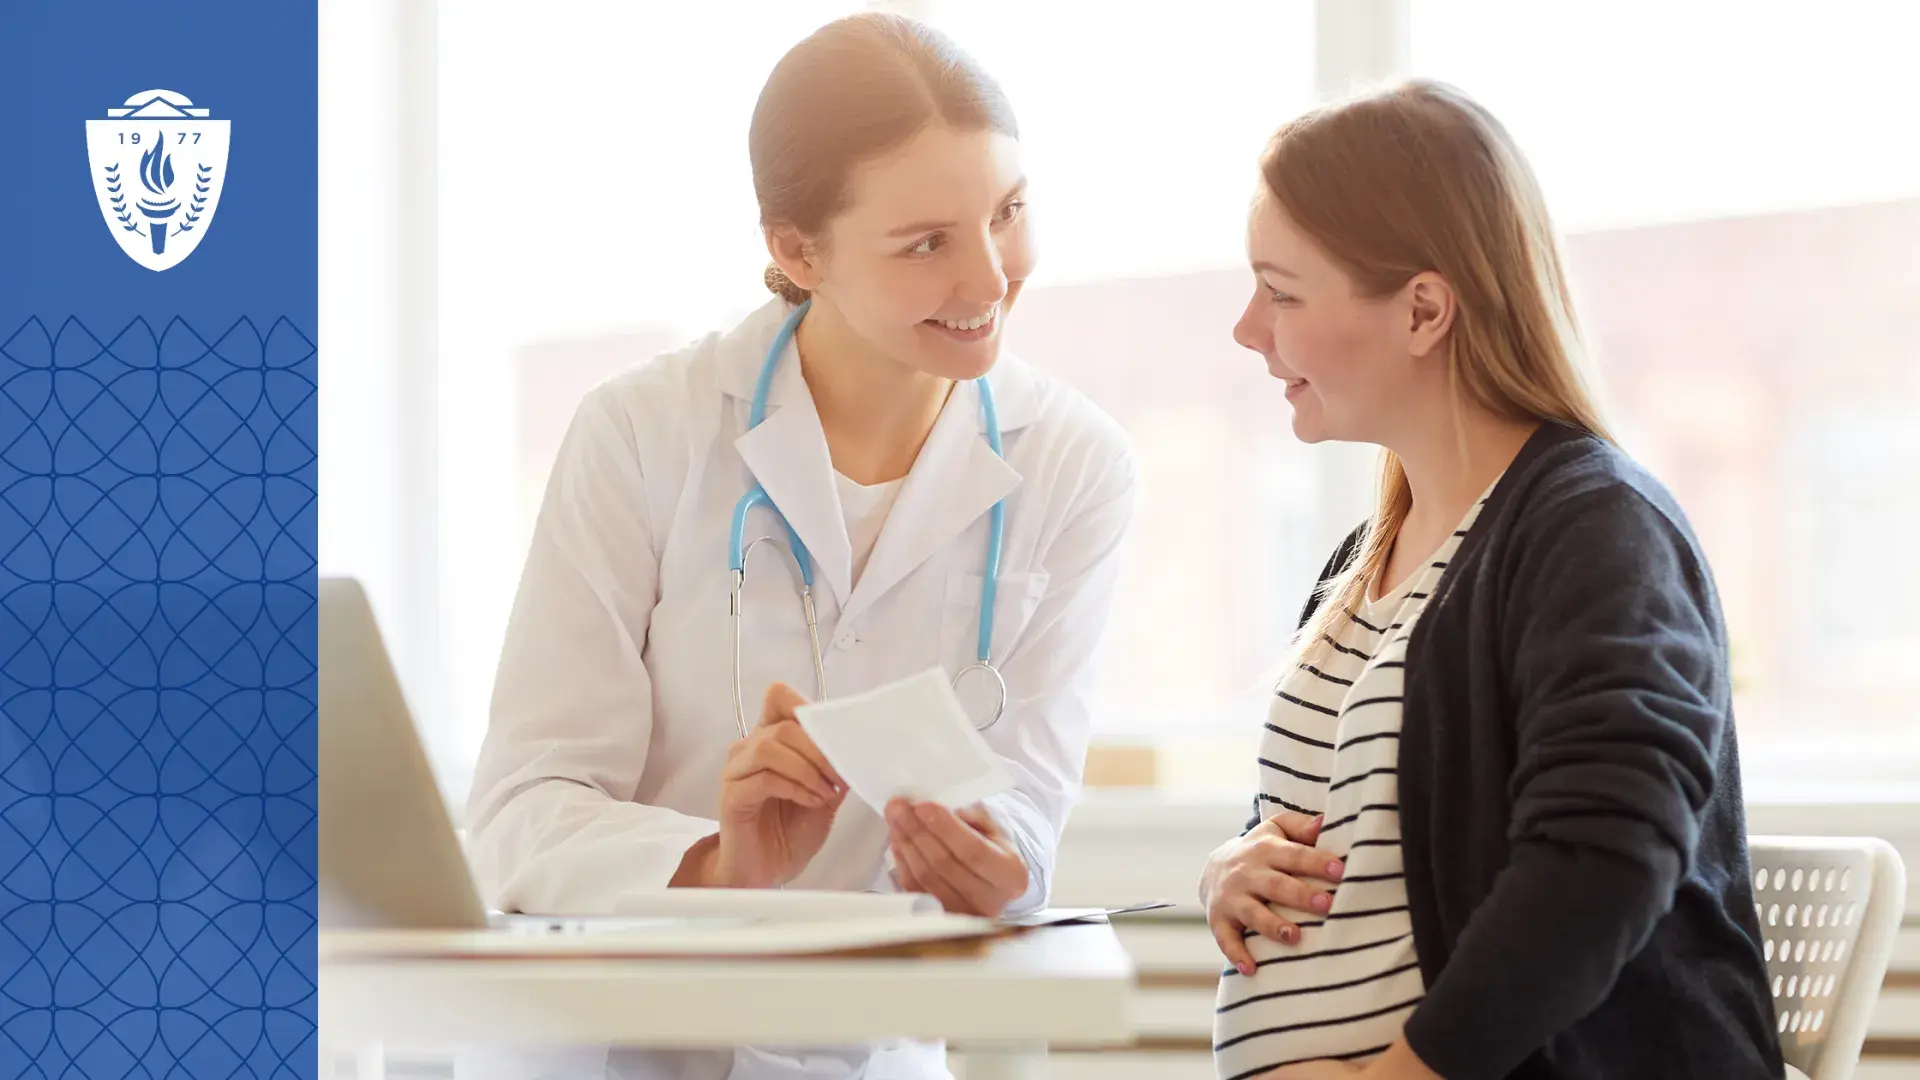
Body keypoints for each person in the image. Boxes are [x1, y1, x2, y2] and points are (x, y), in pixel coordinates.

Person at [458, 13, 1135, 1080]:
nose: (992, 278)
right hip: (619, 1038)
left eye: (1007, 213)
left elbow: (1028, 809)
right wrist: (717, 866)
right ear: (795, 250)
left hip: (866, 1048)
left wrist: (996, 864)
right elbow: (523, 809)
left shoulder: (1076, 466)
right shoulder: (645, 432)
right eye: (927, 243)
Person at [1198, 80, 1784, 1080]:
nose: (1248, 328)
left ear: (1424, 309)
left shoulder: (1593, 530)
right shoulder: (1367, 556)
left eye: (1283, 291)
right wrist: (1237, 867)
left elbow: (1603, 859)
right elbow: (1374, 825)